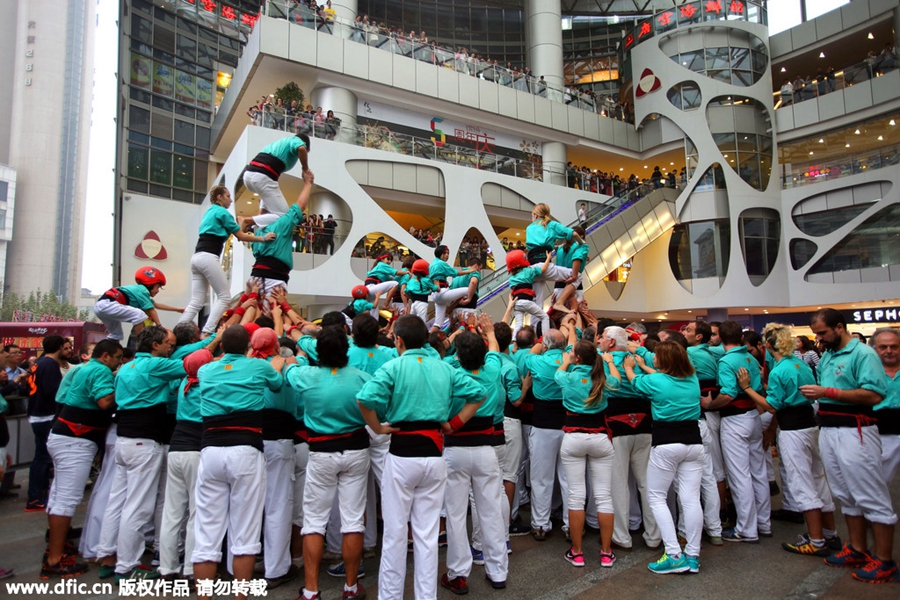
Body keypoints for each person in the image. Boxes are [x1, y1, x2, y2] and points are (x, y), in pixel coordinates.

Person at [357, 315, 486, 600]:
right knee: (427, 535)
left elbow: (364, 399)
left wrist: (378, 428)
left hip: (401, 455)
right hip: (435, 455)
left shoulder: (393, 366)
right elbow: (479, 393)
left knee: (394, 533)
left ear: (398, 340)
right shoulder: (444, 368)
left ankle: (390, 597)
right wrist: (453, 424)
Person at [800, 308, 896, 584]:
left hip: (856, 431)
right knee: (845, 493)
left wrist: (827, 392)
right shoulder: (828, 353)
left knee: (871, 494)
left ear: (839, 327)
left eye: (822, 332)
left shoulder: (863, 354)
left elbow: (874, 393)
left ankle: (885, 559)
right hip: (830, 429)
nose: (818, 338)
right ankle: (857, 548)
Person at [192, 325, 286, 600]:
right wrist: (277, 363)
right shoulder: (258, 367)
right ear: (248, 347)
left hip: (210, 450)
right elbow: (278, 386)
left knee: (207, 531)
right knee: (245, 532)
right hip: (245, 450)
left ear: (222, 347)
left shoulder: (207, 370)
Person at [736, 325, 839, 557]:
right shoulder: (801, 364)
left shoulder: (779, 371)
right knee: (818, 479)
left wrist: (747, 389)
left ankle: (816, 540)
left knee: (802, 483)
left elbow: (771, 405)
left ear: (769, 345)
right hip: (811, 425)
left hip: (792, 429)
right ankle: (829, 533)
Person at [287, 326, 372, 600]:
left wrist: (298, 354)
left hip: (321, 452)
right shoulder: (362, 378)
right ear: (346, 349)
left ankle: (311, 590)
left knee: (314, 521)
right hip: (357, 451)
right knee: (353, 520)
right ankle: (350, 587)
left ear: (318, 352)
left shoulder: (306, 375)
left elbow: (288, 367)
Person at [104, 326, 185, 580]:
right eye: (166, 344)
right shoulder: (154, 365)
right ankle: (127, 566)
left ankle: (108, 554)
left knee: (117, 501)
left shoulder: (125, 368)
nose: (169, 348)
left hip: (124, 440)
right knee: (138, 506)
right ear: (154, 346)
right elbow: (190, 365)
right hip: (144, 441)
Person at [42, 340, 122, 578]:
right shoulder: (99, 370)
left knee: (58, 495)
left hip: (64, 435)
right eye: (118, 357)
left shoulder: (82, 368)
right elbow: (104, 401)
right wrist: (127, 385)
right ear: (106, 356)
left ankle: (57, 545)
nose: (119, 362)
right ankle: (55, 559)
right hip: (75, 439)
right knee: (66, 499)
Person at [624, 342, 704, 575]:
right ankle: (693, 554)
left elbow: (636, 382)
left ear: (664, 361)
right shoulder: (692, 379)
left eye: (657, 357)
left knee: (656, 497)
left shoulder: (657, 382)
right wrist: (644, 365)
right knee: (690, 499)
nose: (653, 359)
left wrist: (631, 367)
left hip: (667, 443)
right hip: (694, 443)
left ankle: (673, 554)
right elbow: (663, 379)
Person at [442, 316, 508, 592]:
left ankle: (457, 573)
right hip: (485, 449)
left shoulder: (449, 370)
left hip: (455, 449)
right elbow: (493, 350)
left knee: (456, 514)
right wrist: (490, 331)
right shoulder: (492, 369)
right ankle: (498, 571)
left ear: (458, 354)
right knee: (490, 510)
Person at [702, 320, 771, 543]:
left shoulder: (727, 361)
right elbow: (758, 388)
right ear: (741, 338)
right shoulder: (751, 358)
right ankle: (763, 523)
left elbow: (729, 394)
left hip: (735, 419)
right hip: (753, 415)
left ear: (720, 338)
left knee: (739, 475)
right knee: (758, 472)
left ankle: (746, 529)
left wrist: (710, 405)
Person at [556, 336, 619, 568]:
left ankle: (578, 552)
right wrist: (609, 362)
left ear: (578, 357)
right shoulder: (602, 377)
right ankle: (605, 552)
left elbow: (557, 374)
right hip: (600, 437)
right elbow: (618, 382)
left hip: (573, 437)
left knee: (575, 496)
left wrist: (566, 360)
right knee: (604, 496)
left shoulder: (569, 376)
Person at [180, 185, 276, 336]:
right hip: (208, 257)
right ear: (219, 197)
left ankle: (178, 332)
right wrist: (263, 238)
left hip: (197, 257)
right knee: (224, 297)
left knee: (196, 302)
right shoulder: (222, 212)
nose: (231, 200)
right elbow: (242, 236)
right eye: (228, 196)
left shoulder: (209, 212)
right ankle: (207, 332)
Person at [599, 326, 659, 551]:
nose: (600, 340)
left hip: (616, 425)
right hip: (645, 424)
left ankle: (622, 536)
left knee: (619, 483)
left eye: (603, 337)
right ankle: (654, 535)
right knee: (647, 483)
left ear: (611, 343)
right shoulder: (639, 359)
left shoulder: (603, 361)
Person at [157, 349, 212, 582]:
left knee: (172, 512)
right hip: (196, 451)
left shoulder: (183, 384)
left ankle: (166, 568)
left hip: (176, 449)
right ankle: (191, 568)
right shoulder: (207, 388)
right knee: (196, 512)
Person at [524, 328, 570, 541]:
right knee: (569, 478)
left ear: (545, 345)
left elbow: (529, 355)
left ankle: (541, 524)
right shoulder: (571, 359)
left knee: (541, 478)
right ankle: (571, 524)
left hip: (543, 425)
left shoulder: (537, 361)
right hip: (568, 423)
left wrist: (540, 343)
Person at [246, 171, 314, 298]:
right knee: (271, 314)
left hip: (257, 278)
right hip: (272, 279)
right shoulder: (281, 224)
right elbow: (300, 206)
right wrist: (308, 184)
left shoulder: (259, 231)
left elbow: (262, 216)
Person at [25, 335, 73, 512]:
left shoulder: (40, 363)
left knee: (42, 457)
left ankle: (39, 494)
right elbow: (54, 392)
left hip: (37, 414)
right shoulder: (50, 364)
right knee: (43, 458)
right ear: (60, 347)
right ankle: (36, 497)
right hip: (45, 415)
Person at [93, 267, 183, 343]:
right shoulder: (142, 290)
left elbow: (156, 305)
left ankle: (108, 351)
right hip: (108, 304)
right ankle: (141, 343)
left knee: (116, 335)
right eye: (158, 287)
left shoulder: (139, 292)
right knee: (139, 315)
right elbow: (152, 310)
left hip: (101, 307)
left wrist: (178, 309)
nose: (158, 291)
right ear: (150, 284)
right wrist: (159, 326)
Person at [242, 133, 312, 228]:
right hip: (262, 176)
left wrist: (262, 212)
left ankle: (259, 219)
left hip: (249, 176)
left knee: (267, 199)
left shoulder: (278, 145)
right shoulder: (294, 140)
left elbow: (265, 191)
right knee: (284, 217)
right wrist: (305, 168)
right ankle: (248, 221)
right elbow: (301, 148)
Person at [525, 204, 582, 308]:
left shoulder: (529, 228)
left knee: (537, 306)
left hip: (532, 269)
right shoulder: (551, 225)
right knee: (577, 275)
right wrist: (582, 243)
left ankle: (535, 324)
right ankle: (560, 302)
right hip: (545, 265)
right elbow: (573, 234)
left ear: (535, 215)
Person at [872, 328, 900, 482]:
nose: (889, 351)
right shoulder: (868, 372)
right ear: (874, 349)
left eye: (894, 347)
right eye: (883, 347)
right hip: (881, 433)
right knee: (878, 481)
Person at [429, 245, 477, 332]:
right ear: (440, 254)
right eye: (445, 253)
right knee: (468, 290)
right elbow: (455, 273)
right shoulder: (441, 263)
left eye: (448, 253)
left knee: (438, 324)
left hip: (435, 295)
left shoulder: (432, 264)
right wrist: (470, 271)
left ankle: (427, 339)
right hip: (442, 292)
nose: (447, 255)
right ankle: (452, 306)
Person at [507, 250, 551, 337]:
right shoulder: (528, 271)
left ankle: (515, 343)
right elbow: (543, 269)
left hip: (517, 303)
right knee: (544, 317)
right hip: (527, 302)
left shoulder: (511, 279)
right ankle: (546, 340)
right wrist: (548, 258)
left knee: (519, 324)